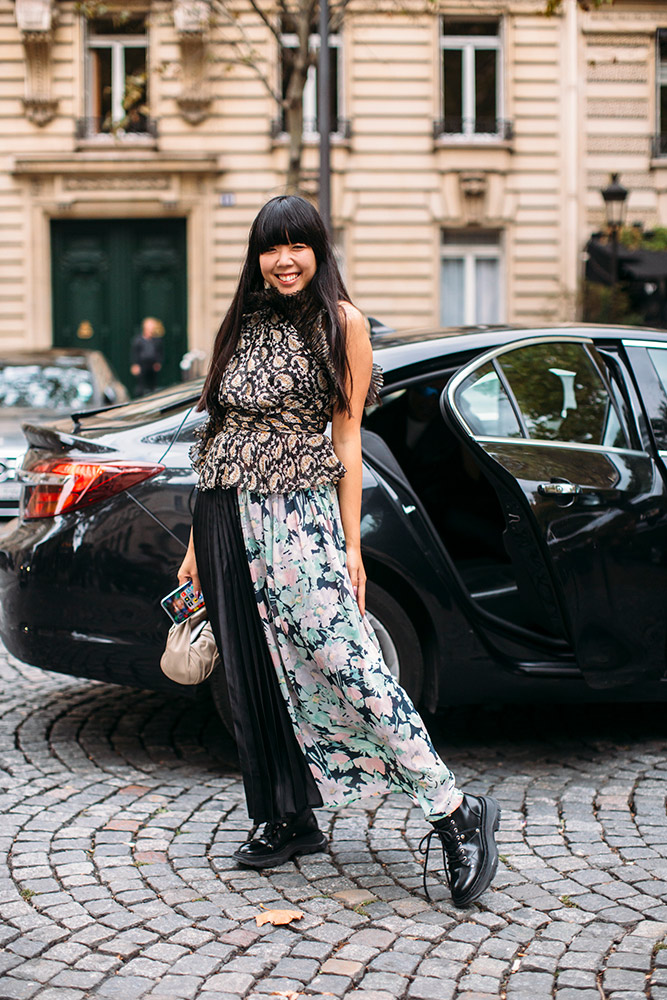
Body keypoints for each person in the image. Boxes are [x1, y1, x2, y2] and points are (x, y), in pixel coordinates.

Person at [177, 195, 500, 907]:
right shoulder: (241, 322)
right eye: (270, 246)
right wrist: (199, 548)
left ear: (320, 251)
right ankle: (286, 817)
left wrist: (351, 547)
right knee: (249, 670)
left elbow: (347, 439)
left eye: (297, 244)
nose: (282, 259)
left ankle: (453, 809)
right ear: (255, 256)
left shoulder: (342, 323)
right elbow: (214, 434)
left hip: (299, 516)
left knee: (346, 662)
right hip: (226, 510)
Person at [130, 317, 164, 396]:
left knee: (153, 384)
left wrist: (158, 362)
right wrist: (135, 364)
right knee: (141, 384)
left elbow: (159, 352)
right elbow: (134, 353)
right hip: (142, 364)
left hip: (152, 364)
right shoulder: (138, 340)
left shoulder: (157, 340)